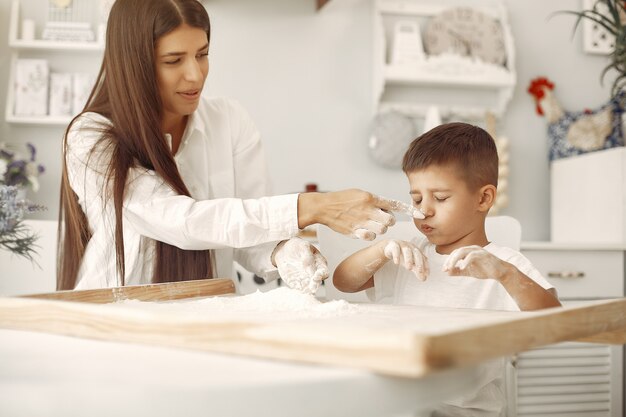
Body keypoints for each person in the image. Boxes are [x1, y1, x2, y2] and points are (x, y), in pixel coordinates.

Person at [57, 0, 421, 292]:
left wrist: (282, 251)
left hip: (207, 316)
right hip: (111, 319)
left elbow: (250, 234)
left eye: (202, 54)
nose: (195, 75)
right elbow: (178, 221)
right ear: (133, 65)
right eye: (173, 61)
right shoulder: (89, 138)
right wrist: (310, 206)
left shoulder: (229, 121)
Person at [333, 122, 561, 416]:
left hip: (467, 410)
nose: (424, 210)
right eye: (416, 198)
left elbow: (554, 321)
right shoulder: (408, 255)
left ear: (483, 198)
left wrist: (505, 274)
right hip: (403, 403)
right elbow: (343, 282)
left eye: (440, 198)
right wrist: (380, 251)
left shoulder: (503, 265)